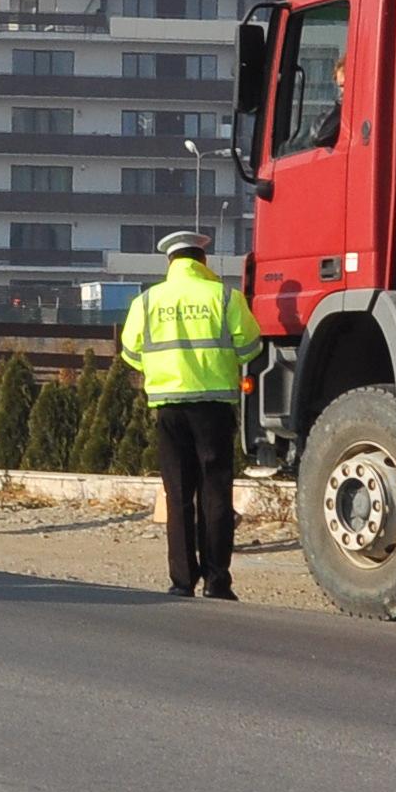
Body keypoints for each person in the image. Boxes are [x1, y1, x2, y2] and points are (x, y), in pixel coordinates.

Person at [118, 227, 262, 599]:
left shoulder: (147, 301)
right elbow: (251, 346)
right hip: (213, 406)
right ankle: (217, 580)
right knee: (215, 492)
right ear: (203, 260)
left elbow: (130, 352)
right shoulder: (225, 297)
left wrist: (163, 369)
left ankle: (182, 581)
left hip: (168, 406)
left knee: (178, 493)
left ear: (170, 261)